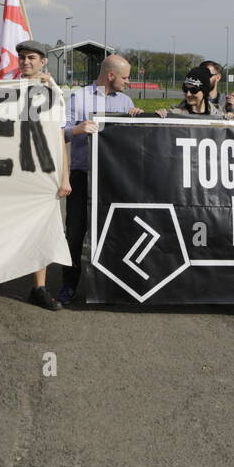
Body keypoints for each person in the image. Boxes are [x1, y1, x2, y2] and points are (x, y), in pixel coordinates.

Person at [0, 41, 72, 312]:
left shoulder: (53, 92)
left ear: (43, 62)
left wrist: (65, 177)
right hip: (5, 171)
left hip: (39, 172)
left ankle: (38, 287)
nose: (26, 62)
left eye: (32, 58)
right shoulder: (5, 89)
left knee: (41, 229)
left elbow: (59, 138)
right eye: (22, 58)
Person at [59, 54, 143, 302]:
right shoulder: (79, 97)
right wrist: (78, 129)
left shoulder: (126, 101)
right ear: (111, 76)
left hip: (113, 180)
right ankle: (68, 285)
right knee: (75, 233)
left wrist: (137, 116)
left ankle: (114, 285)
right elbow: (61, 134)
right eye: (125, 77)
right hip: (82, 176)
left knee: (115, 232)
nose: (128, 82)